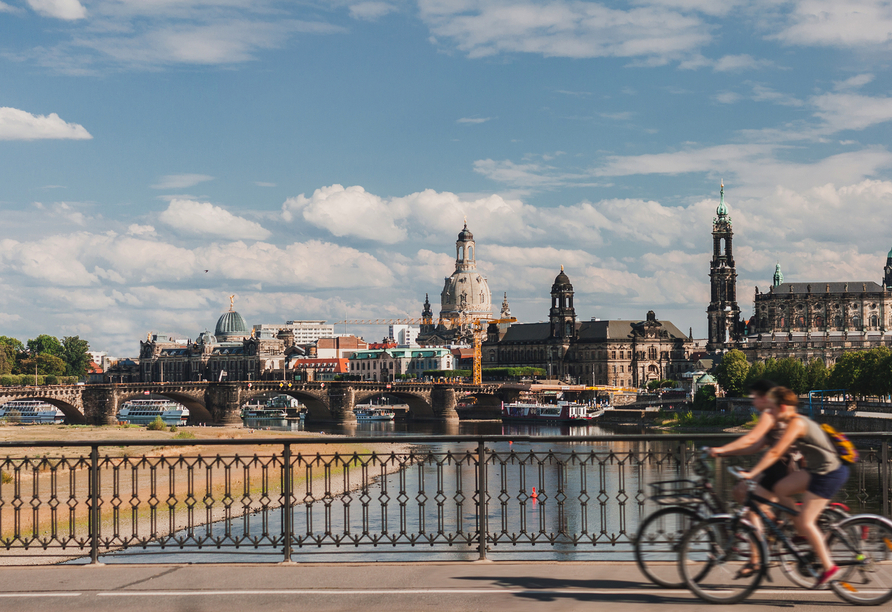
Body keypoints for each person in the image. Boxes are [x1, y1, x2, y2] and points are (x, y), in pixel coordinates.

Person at [738, 386, 848, 587]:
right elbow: (765, 446)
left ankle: (828, 566)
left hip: (829, 472)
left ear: (781, 406)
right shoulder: (791, 421)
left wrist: (752, 474)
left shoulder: (796, 423)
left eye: (772, 407)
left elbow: (775, 453)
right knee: (780, 488)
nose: (768, 412)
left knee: (806, 521)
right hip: (816, 469)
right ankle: (798, 527)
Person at [708, 380, 794, 513]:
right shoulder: (773, 412)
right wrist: (727, 453)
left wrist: (721, 449)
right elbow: (757, 446)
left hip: (782, 465)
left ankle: (770, 528)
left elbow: (751, 438)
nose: (753, 402)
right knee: (741, 492)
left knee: (749, 503)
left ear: (765, 397)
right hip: (780, 464)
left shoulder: (769, 413)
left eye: (754, 397)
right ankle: (774, 526)